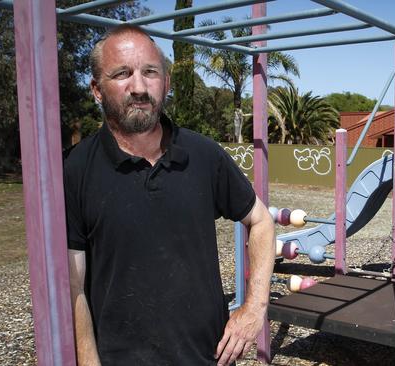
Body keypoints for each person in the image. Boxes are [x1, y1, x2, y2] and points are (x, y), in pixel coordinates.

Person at [64, 24, 275, 366]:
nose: (139, 87)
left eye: (150, 72)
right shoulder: (76, 170)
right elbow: (73, 288)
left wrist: (254, 309)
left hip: (208, 358)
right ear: (97, 90)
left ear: (167, 83)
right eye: (122, 74)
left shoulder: (204, 155)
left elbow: (262, 220)